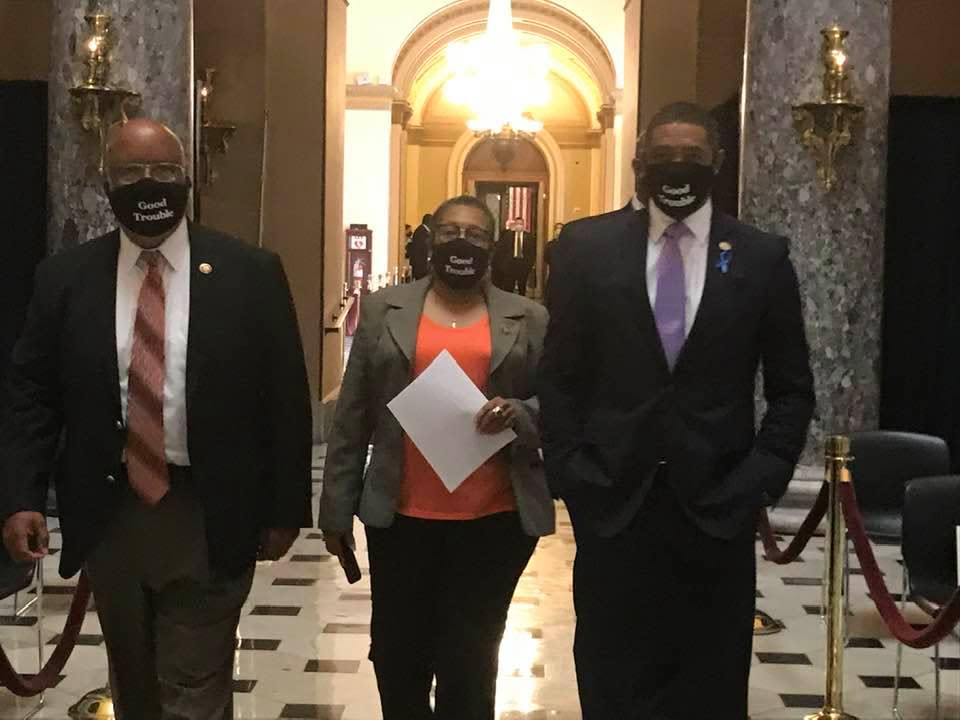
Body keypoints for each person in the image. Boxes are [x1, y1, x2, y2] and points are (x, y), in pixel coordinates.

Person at [0, 118, 313, 720]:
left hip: (209, 508)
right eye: (130, 172)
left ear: (187, 177)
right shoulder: (66, 278)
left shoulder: (249, 273)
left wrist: (284, 509)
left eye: (164, 171)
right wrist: (22, 496)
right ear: (105, 182)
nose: (149, 185)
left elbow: (285, 398)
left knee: (194, 685)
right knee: (135, 683)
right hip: (111, 513)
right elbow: (33, 395)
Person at [540, 102, 815, 720]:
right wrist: (568, 468)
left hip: (718, 504)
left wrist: (761, 479)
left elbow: (793, 388)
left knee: (710, 685)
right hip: (613, 501)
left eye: (691, 159)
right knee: (612, 677)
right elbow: (559, 374)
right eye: (662, 159)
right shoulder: (586, 247)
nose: (676, 170)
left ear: (716, 165)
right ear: (638, 166)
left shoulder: (760, 256)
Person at [320, 195, 554, 720]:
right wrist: (335, 509)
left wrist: (519, 412)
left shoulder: (530, 318)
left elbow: (563, 403)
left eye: (474, 234)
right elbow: (353, 412)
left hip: (493, 521)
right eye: (450, 231)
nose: (460, 243)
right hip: (401, 517)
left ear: (492, 246)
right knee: (399, 658)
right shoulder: (386, 309)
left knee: (469, 664)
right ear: (430, 237)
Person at [493, 216, 536, 295]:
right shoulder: (508, 235)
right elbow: (502, 250)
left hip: (523, 265)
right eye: (517, 224)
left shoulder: (529, 237)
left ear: (523, 225)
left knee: (522, 288)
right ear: (515, 225)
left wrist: (529, 265)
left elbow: (532, 253)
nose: (519, 226)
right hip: (510, 265)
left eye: (521, 224)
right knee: (508, 288)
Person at [406, 214, 432, 280]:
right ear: (429, 221)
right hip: (420, 266)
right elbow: (424, 249)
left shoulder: (422, 230)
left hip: (421, 265)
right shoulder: (422, 232)